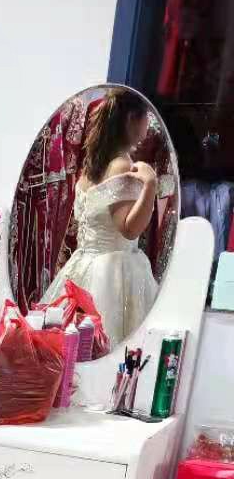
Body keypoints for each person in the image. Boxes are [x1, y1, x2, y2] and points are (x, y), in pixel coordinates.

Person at [45, 87, 159, 347]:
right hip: (114, 271)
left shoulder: (92, 166)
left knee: (79, 346)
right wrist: (150, 185)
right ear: (131, 118)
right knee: (111, 346)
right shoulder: (120, 164)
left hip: (85, 263)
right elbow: (129, 229)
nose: (148, 125)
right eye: (146, 117)